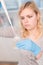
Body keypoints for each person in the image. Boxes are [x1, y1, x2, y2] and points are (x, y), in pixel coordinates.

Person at [16, 1, 43, 65]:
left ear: (37, 15)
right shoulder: (20, 31)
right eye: (22, 18)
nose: (25, 21)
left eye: (29, 16)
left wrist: (38, 51)